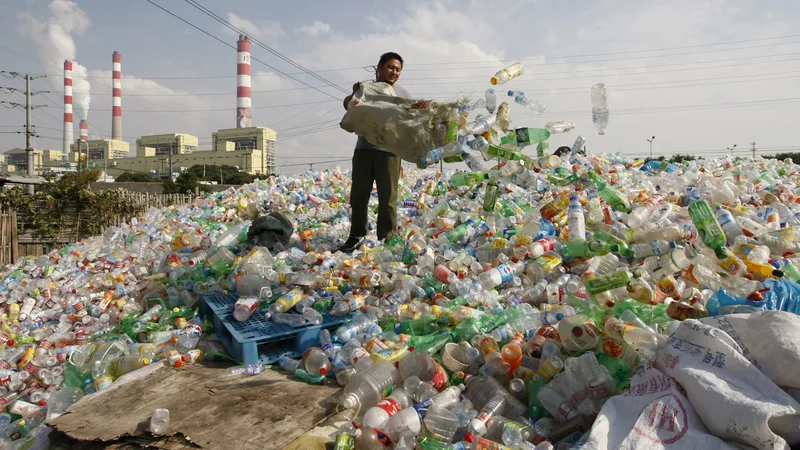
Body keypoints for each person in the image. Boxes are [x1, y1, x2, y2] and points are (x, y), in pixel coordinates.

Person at [337, 52, 411, 253]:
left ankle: (386, 238)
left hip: (389, 153)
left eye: (397, 69)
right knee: (359, 196)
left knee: (388, 198)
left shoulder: (402, 94)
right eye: (390, 67)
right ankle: (356, 236)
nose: (393, 72)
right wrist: (354, 94)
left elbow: (410, 120)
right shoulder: (367, 89)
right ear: (379, 66)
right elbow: (347, 105)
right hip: (364, 150)